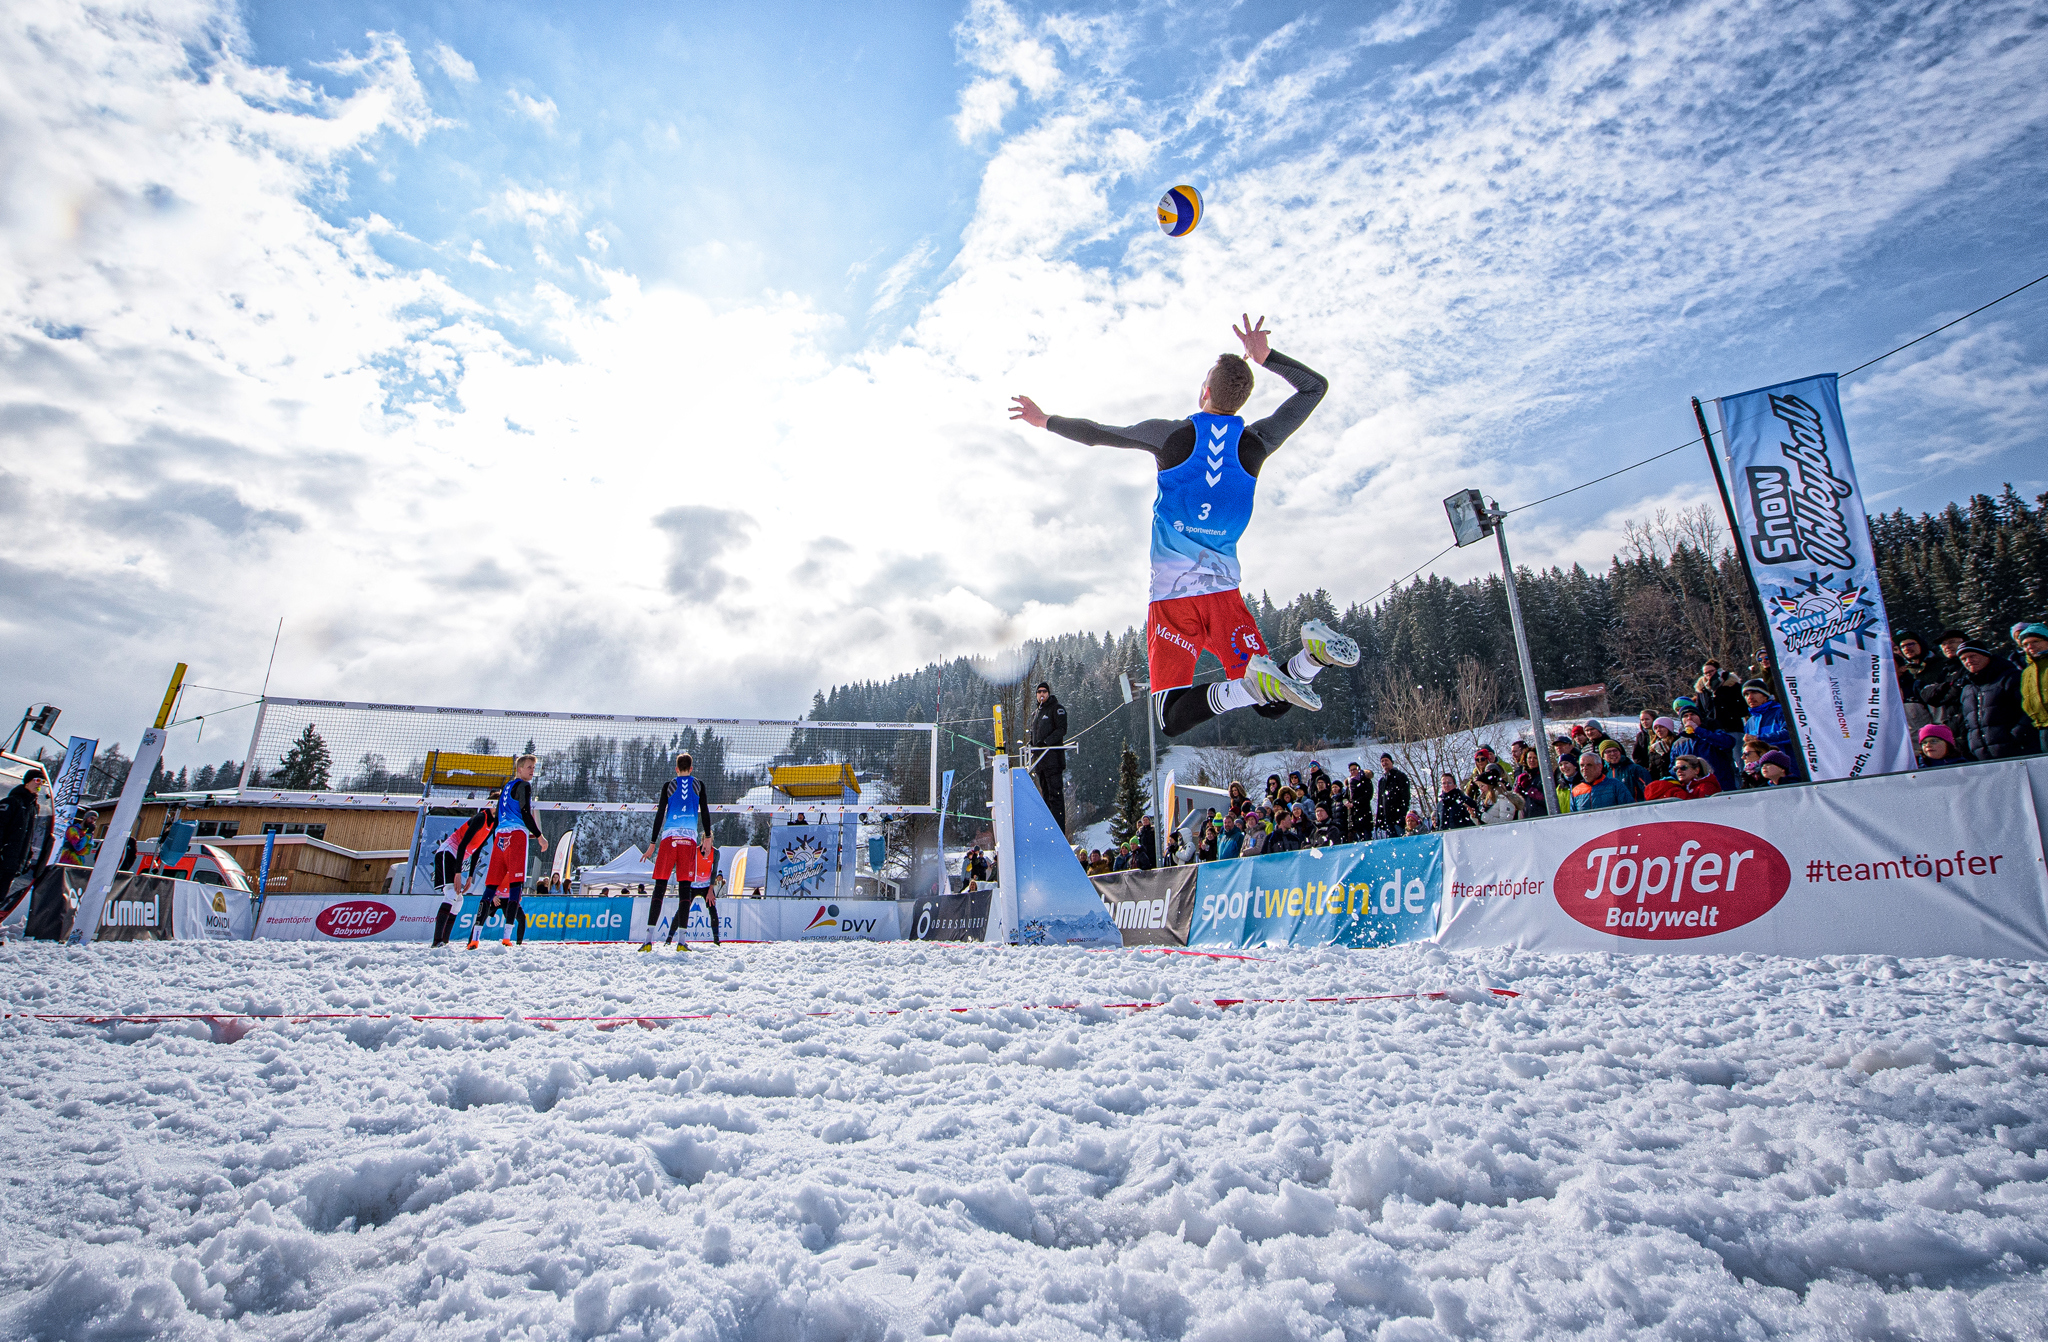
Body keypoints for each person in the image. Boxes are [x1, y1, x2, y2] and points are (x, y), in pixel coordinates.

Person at [1011, 315, 1357, 738]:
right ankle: (1313, 659)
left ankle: (1248, 686)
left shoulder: (1171, 436)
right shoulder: (1256, 443)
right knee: (1273, 705)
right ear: (1241, 400)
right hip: (1223, 595)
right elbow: (1314, 388)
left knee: (1170, 717)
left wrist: (1045, 420)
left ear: (1204, 392)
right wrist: (1267, 357)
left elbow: (1099, 434)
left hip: (1174, 598)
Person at [469, 755, 548, 948]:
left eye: (533, 768)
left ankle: (475, 938)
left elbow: (497, 819)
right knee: (515, 888)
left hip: (500, 837)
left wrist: (492, 837)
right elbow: (525, 812)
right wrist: (539, 835)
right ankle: (506, 938)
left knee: (489, 889)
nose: (532, 771)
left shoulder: (505, 788)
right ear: (519, 769)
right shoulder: (524, 786)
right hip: (516, 836)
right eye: (529, 767)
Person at [640, 752, 712, 951]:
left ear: (676, 769)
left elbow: (659, 815)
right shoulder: (699, 785)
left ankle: (648, 940)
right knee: (684, 891)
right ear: (691, 769)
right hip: (688, 840)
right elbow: (705, 812)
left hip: (669, 839)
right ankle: (681, 942)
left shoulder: (668, 786)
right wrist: (707, 837)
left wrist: (652, 843)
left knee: (660, 888)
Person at [1955, 643, 2034, 759]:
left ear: (1986, 655)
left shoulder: (2011, 678)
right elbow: (1968, 722)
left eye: (1973, 656)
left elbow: (2030, 709)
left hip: (2020, 752)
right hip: (1985, 758)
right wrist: (1972, 743)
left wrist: (2017, 734)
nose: (1969, 661)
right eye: (1963, 659)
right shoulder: (1968, 689)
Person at [431, 808, 493, 948]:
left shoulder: (493, 823)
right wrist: (458, 874)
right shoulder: (480, 818)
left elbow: (477, 849)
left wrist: (470, 876)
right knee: (451, 893)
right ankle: (437, 941)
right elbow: (462, 845)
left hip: (455, 857)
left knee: (458, 900)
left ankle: (444, 941)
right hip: (447, 852)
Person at [0, 773, 47, 921]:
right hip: (3, 858)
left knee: (1, 896)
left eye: (43, 781)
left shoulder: (33, 807)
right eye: (37, 780)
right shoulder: (12, 802)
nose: (40, 784)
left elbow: (28, 835)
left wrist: (27, 857)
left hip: (14, 862)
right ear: (27, 782)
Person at [1028, 682, 1069, 831]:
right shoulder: (1036, 713)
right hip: (1040, 763)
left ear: (1049, 693)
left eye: (1044, 691)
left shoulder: (1056, 709)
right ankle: (1050, 829)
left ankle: (1059, 830)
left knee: (1055, 796)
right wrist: (1031, 744)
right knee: (1046, 798)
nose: (1041, 694)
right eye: (1039, 692)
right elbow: (1034, 735)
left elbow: (1062, 729)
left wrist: (1046, 742)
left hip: (1053, 760)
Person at [1671, 706, 1740, 793]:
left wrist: (1698, 730)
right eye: (1685, 716)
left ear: (1700, 718)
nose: (1689, 718)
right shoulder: (1678, 743)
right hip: (1692, 791)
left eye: (1693, 714)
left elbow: (1728, 743)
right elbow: (1672, 768)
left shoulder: (1712, 734)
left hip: (1720, 786)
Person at [1739, 680, 1800, 775]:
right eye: (1746, 695)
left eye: (1754, 692)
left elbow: (1790, 734)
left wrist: (1759, 738)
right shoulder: (1750, 722)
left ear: (1765, 695)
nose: (1750, 697)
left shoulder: (1780, 712)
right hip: (1763, 774)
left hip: (1787, 771)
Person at [669, 840, 720, 947]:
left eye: (709, 844)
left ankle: (716, 939)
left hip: (706, 886)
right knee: (682, 910)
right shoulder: (694, 851)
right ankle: (670, 937)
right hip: (692, 885)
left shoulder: (715, 853)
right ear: (701, 842)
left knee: (713, 910)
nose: (706, 847)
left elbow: (714, 871)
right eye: (704, 844)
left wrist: (711, 890)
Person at [1894, 633, 1938, 736]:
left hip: (1925, 744)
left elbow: (1938, 719)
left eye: (1910, 644)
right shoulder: (1880, 693)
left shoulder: (1917, 686)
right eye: (1903, 646)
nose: (1906, 649)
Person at [2017, 623, 2048, 755]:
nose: (2030, 647)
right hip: (2042, 729)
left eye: (2035, 641)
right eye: (2025, 645)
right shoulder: (2027, 672)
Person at [1570, 752, 1635, 811]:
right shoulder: (1575, 791)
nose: (1584, 768)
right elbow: (1574, 818)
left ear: (1599, 766)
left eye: (1589, 765)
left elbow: (1629, 810)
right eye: (1582, 765)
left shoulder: (1615, 785)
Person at [1695, 661, 1747, 733]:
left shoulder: (1732, 685)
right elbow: (1699, 709)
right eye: (1706, 673)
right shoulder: (1702, 690)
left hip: (1733, 727)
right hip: (1711, 730)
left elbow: (1743, 707)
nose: (1709, 674)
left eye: (1711, 671)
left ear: (1718, 670)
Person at [1373, 755, 1411, 837]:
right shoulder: (1382, 780)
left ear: (1391, 762)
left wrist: (1402, 816)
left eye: (1386, 760)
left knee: (1402, 843)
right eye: (1382, 761)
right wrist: (1379, 819)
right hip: (1387, 820)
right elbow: (1380, 801)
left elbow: (1406, 797)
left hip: (1398, 818)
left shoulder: (1400, 776)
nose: (1384, 763)